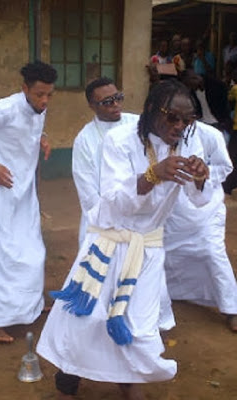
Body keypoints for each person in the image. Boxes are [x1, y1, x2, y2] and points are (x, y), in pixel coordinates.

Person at [37, 79, 212, 400]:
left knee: (139, 323)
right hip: (111, 241)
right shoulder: (119, 141)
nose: (180, 126)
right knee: (88, 319)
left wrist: (201, 178)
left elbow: (198, 199)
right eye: (172, 117)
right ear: (150, 111)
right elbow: (115, 200)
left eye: (188, 120)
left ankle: (128, 384)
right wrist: (153, 174)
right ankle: (69, 376)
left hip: (148, 248)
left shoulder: (187, 143)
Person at [0, 60, 57, 343]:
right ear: (24, 89)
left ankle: (28, 306)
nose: (44, 101)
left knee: (31, 249)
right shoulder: (3, 108)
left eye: (49, 95)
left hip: (24, 188)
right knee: (1, 254)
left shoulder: (38, 109)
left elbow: (32, 129)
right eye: (39, 95)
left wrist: (42, 138)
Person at [163, 120, 237, 332]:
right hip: (172, 210)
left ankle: (232, 308)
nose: (180, 122)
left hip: (206, 209)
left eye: (185, 116)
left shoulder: (210, 135)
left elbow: (225, 167)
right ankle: (170, 295)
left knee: (212, 253)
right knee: (163, 254)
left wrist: (203, 173)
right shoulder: (158, 134)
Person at [72, 77, 138, 247]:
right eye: (108, 102)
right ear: (92, 106)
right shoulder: (85, 139)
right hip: (104, 224)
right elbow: (88, 193)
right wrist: (114, 220)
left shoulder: (137, 124)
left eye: (118, 98)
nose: (116, 104)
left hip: (138, 218)